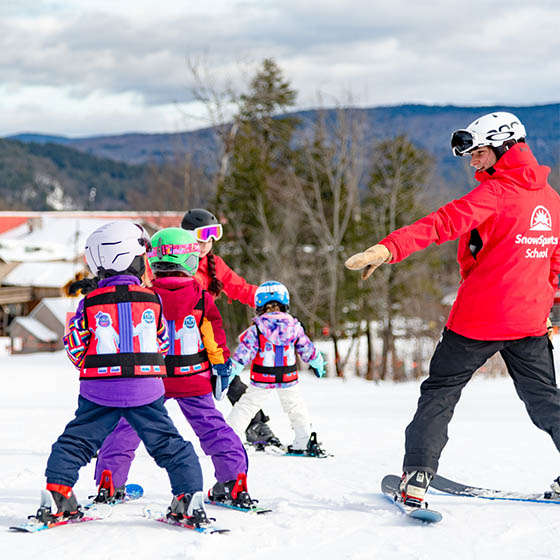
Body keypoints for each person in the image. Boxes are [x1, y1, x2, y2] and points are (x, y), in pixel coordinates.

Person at [345, 111, 560, 507]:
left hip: (479, 319)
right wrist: (547, 303)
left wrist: (388, 247)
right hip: (529, 321)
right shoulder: (551, 199)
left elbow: (442, 223)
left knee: (440, 392)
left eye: (478, 152)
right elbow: (554, 262)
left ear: (504, 147)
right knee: (546, 400)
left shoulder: (495, 193)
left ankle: (416, 477)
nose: (473, 161)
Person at [43, 221, 209, 527]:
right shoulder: (152, 299)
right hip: (146, 390)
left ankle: (58, 494)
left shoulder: (88, 303)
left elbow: (75, 347)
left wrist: (90, 366)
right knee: (169, 444)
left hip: (99, 392)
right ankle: (188, 497)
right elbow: (161, 341)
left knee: (76, 441)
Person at [94, 227, 255, 508]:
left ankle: (110, 482)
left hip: (150, 379)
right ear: (191, 260)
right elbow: (214, 341)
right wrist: (221, 369)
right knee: (212, 427)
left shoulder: (143, 297)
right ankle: (233, 481)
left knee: (127, 426)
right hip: (193, 379)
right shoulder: (202, 299)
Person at [181, 208, 281, 449]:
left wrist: (270, 301)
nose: (206, 243)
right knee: (149, 388)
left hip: (207, 339)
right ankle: (112, 436)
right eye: (200, 236)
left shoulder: (215, 264)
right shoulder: (173, 261)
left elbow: (241, 288)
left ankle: (256, 427)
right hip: (172, 338)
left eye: (211, 236)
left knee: (231, 381)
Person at [226, 281, 328, 456]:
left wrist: (230, 372)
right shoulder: (294, 326)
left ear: (259, 305)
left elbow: (243, 354)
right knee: (294, 406)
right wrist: (318, 363)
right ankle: (304, 440)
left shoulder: (257, 328)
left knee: (247, 406)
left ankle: (229, 440)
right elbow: (307, 349)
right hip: (288, 376)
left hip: (262, 377)